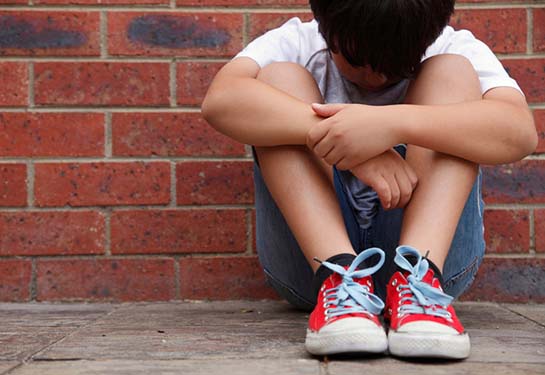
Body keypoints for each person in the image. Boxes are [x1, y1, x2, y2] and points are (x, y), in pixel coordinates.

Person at [201, 0, 537, 359]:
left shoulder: (451, 45)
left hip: (433, 259)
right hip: (310, 269)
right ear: (326, 28)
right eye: (358, 61)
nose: (375, 77)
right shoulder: (296, 41)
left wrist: (391, 124)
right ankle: (339, 276)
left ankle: (417, 282)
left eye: (395, 67)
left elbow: (520, 133)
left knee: (453, 73)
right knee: (277, 79)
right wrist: (336, 137)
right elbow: (220, 101)